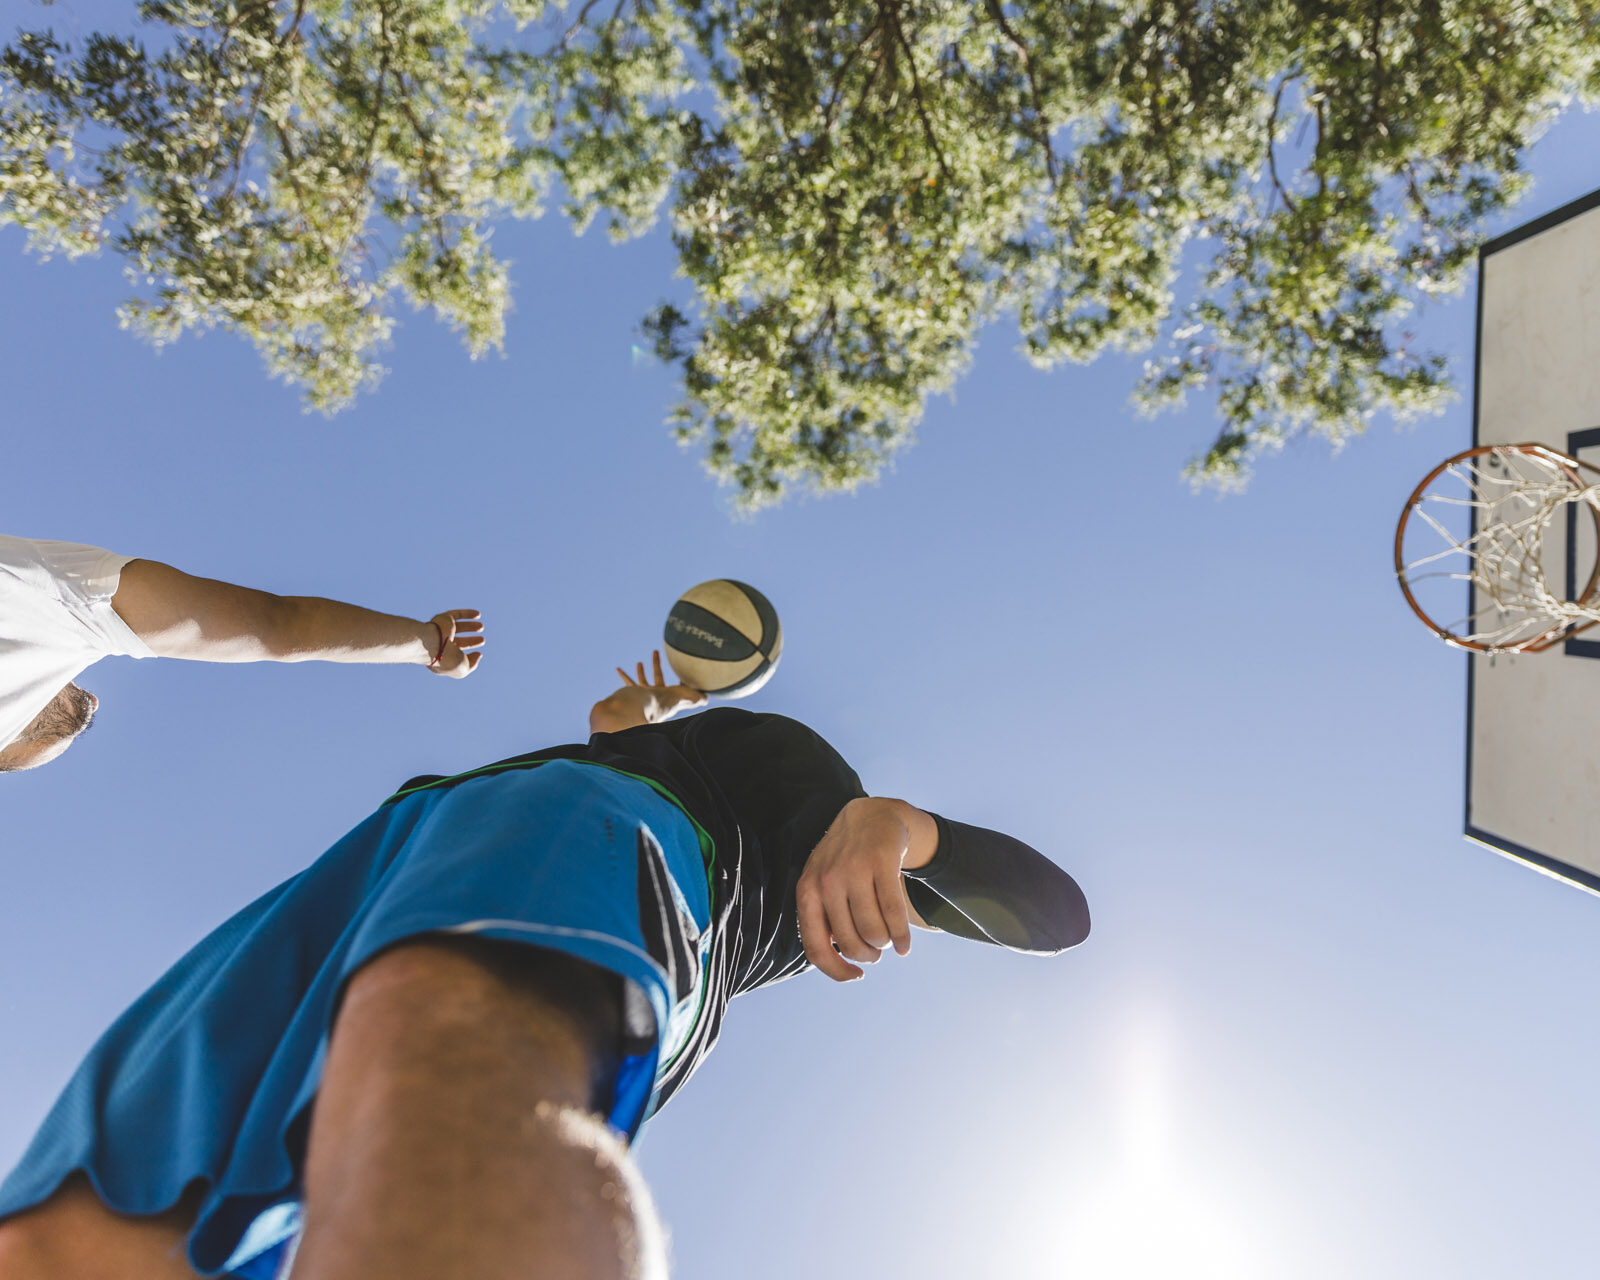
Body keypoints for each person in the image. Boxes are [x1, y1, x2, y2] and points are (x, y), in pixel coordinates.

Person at [0, 653, 1090, 1280]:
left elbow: (1056, 910)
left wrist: (898, 824)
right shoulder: (641, 742)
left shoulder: (816, 828)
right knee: (69, 1232)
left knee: (442, 1073)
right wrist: (641, 713)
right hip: (403, 839)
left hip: (608, 838)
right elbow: (618, 727)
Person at [0, 533, 484, 772]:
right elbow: (276, 625)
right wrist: (429, 645)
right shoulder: (50, 602)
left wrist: (430, 647)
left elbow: (279, 629)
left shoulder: (53, 608)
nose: (95, 700)